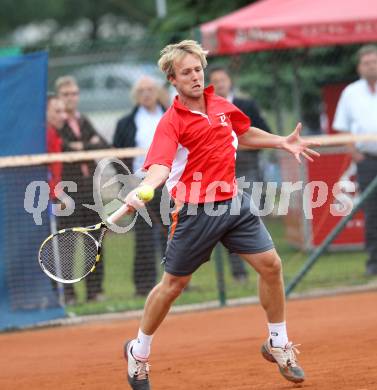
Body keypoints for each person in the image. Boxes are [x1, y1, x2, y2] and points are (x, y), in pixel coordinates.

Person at [122, 40, 319, 389]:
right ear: (173, 79)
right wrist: (143, 189)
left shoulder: (222, 106)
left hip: (233, 202)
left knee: (271, 265)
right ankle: (138, 351)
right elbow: (159, 167)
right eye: (186, 72)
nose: (195, 76)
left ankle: (278, 342)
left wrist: (281, 141)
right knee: (173, 286)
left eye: (198, 69)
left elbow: (242, 132)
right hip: (196, 210)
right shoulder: (170, 123)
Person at [208, 65, 272, 282]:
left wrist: (238, 144)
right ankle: (239, 273)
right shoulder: (206, 110)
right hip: (220, 174)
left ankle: (264, 268)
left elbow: (265, 133)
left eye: (223, 80)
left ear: (230, 82)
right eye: (215, 81)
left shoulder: (246, 105)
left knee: (253, 215)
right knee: (228, 220)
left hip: (248, 167)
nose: (220, 85)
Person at [55, 75, 109, 303]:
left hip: (90, 191)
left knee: (95, 240)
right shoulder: (56, 123)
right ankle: (69, 294)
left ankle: (94, 291)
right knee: (68, 242)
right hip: (68, 191)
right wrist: (89, 145)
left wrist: (83, 147)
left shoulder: (83, 120)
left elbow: (103, 144)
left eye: (74, 94)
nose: (71, 98)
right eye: (66, 95)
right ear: (59, 98)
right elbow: (65, 150)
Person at [113, 76, 167, 296]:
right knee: (145, 236)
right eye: (141, 90)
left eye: (150, 89)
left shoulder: (171, 116)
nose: (146, 94)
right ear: (136, 95)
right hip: (140, 185)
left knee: (173, 233)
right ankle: (144, 286)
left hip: (171, 183)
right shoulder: (126, 122)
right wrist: (129, 185)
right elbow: (118, 155)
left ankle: (176, 280)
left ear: (157, 92)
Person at [333, 44, 377, 277]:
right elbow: (341, 127)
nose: (372, 66)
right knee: (372, 211)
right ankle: (374, 261)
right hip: (367, 159)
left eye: (374, 61)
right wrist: (356, 154)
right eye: (367, 62)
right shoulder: (350, 92)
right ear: (360, 67)